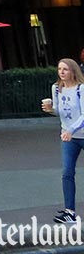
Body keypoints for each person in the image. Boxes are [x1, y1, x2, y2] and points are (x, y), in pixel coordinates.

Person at [42, 58, 84, 224]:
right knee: (67, 172)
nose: (62, 72)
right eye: (59, 69)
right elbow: (59, 111)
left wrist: (71, 130)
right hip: (69, 137)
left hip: (78, 133)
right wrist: (51, 109)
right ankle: (69, 212)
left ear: (73, 71)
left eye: (65, 69)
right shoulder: (57, 88)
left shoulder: (81, 89)